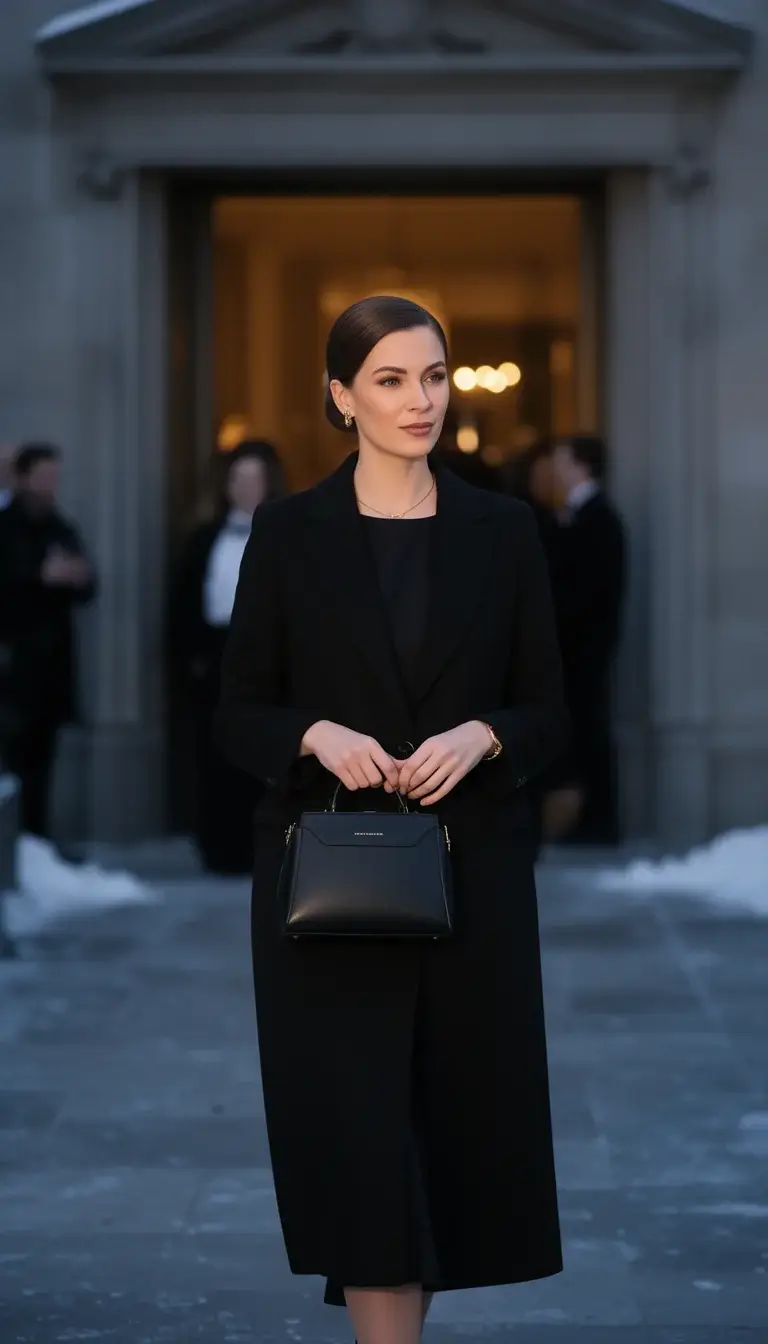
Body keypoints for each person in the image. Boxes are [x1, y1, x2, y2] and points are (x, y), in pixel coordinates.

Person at [215, 296, 568, 1344]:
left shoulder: (505, 532)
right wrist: (315, 734)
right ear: (340, 396)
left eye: (433, 375)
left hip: (476, 893)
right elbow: (235, 714)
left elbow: (554, 711)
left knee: (449, 1146)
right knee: (364, 1147)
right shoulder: (287, 533)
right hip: (332, 888)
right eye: (390, 380)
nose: (421, 400)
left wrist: (487, 738)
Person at [168, 440, 283, 873]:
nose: (248, 487)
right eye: (239, 478)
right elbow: (181, 608)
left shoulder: (286, 537)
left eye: (256, 478)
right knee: (214, 760)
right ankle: (219, 850)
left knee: (261, 758)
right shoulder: (204, 540)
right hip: (215, 658)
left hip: (267, 660)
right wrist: (192, 665)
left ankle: (265, 850)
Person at [0, 443, 95, 837]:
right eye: (41, 476)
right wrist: (41, 577)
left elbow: (88, 585)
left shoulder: (61, 526)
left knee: (43, 757)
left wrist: (76, 576)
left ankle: (37, 840)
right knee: (14, 760)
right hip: (12, 664)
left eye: (53, 477)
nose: (48, 485)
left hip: (51, 665)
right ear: (22, 478)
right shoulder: (5, 528)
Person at [550, 433, 627, 845]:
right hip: (580, 646)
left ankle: (599, 821)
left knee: (590, 731)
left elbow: (587, 592)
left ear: (581, 465)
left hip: (585, 648)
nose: (555, 469)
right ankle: (591, 818)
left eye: (562, 459)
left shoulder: (597, 517)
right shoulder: (581, 515)